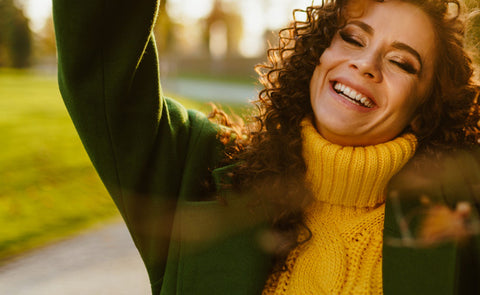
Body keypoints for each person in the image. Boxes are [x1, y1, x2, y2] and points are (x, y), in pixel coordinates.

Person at [52, 0, 480, 294]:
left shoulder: (459, 221)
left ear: (426, 109)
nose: (365, 64)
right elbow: (102, 74)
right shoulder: (199, 170)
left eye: (401, 62)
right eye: (352, 38)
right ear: (319, 51)